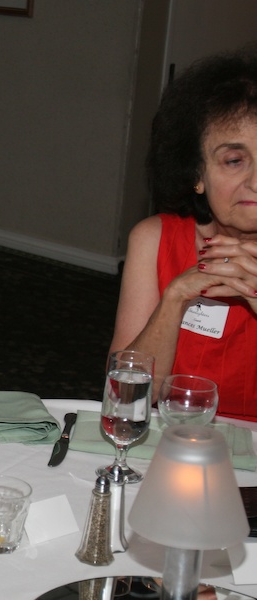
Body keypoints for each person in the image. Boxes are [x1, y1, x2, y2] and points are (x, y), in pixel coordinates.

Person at [109, 46, 257, 420]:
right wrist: (174, 296)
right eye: (235, 161)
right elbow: (125, 399)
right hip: (169, 439)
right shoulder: (155, 240)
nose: (256, 182)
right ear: (196, 175)